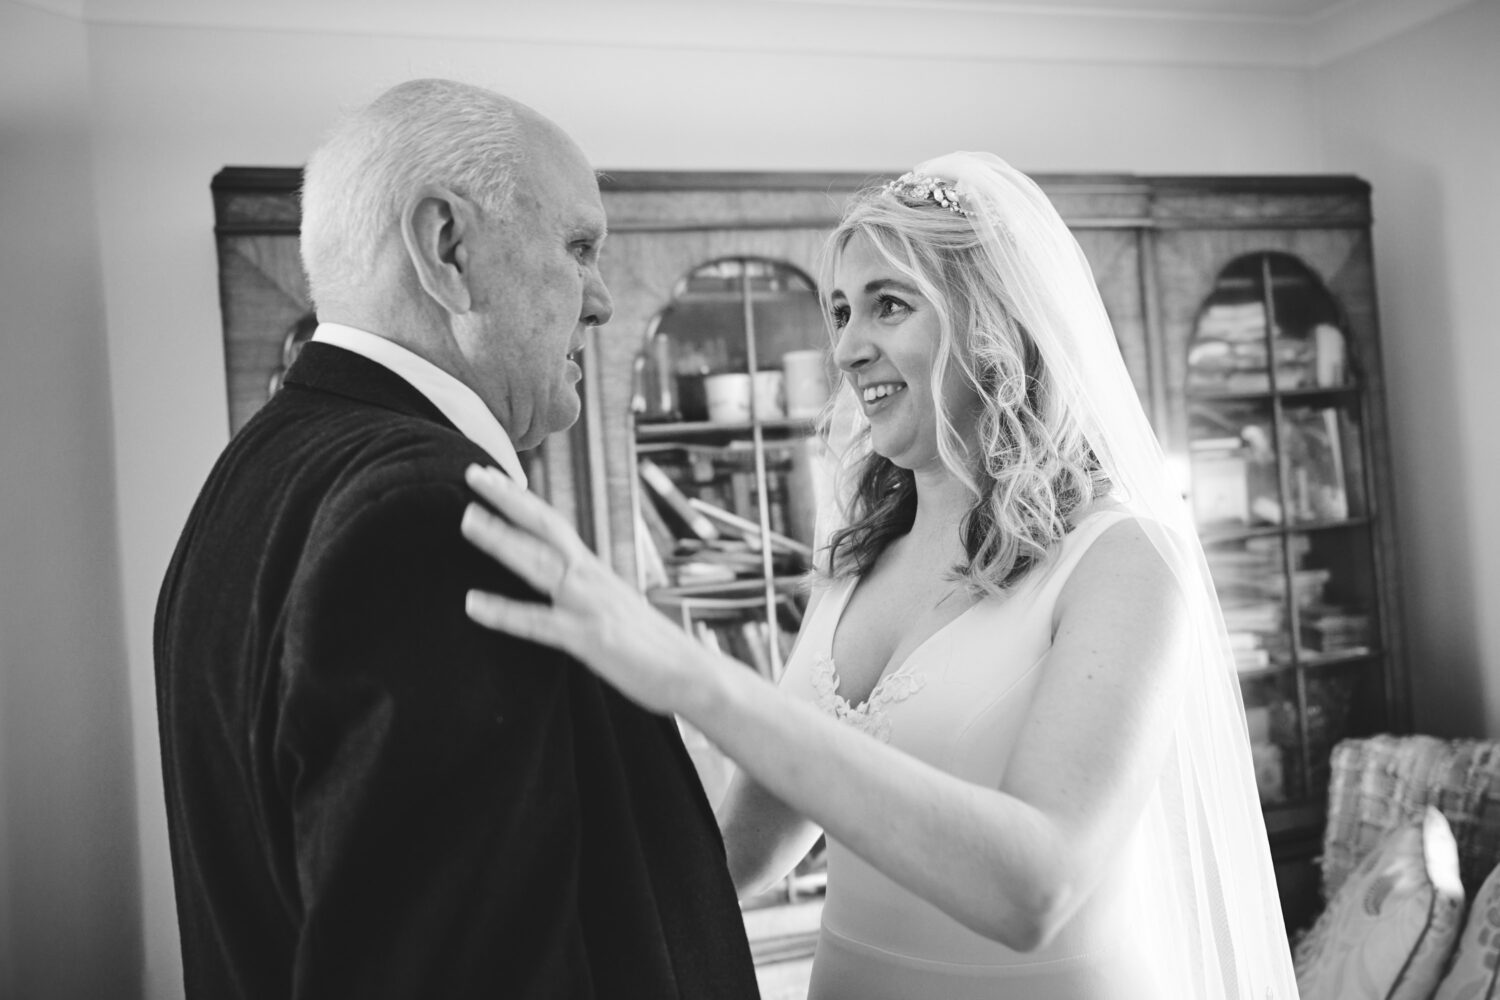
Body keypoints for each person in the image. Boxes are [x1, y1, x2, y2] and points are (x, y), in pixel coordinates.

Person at [459, 151, 1299, 998]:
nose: (847, 349)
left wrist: (694, 678)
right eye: (840, 312)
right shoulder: (854, 557)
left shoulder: (1123, 559)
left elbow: (1037, 889)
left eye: (889, 305)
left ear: (993, 325)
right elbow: (741, 851)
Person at [154, 79, 758, 999]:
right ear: (446, 248)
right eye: (579, 247)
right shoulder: (430, 519)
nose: (601, 300)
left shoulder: (251, 476)